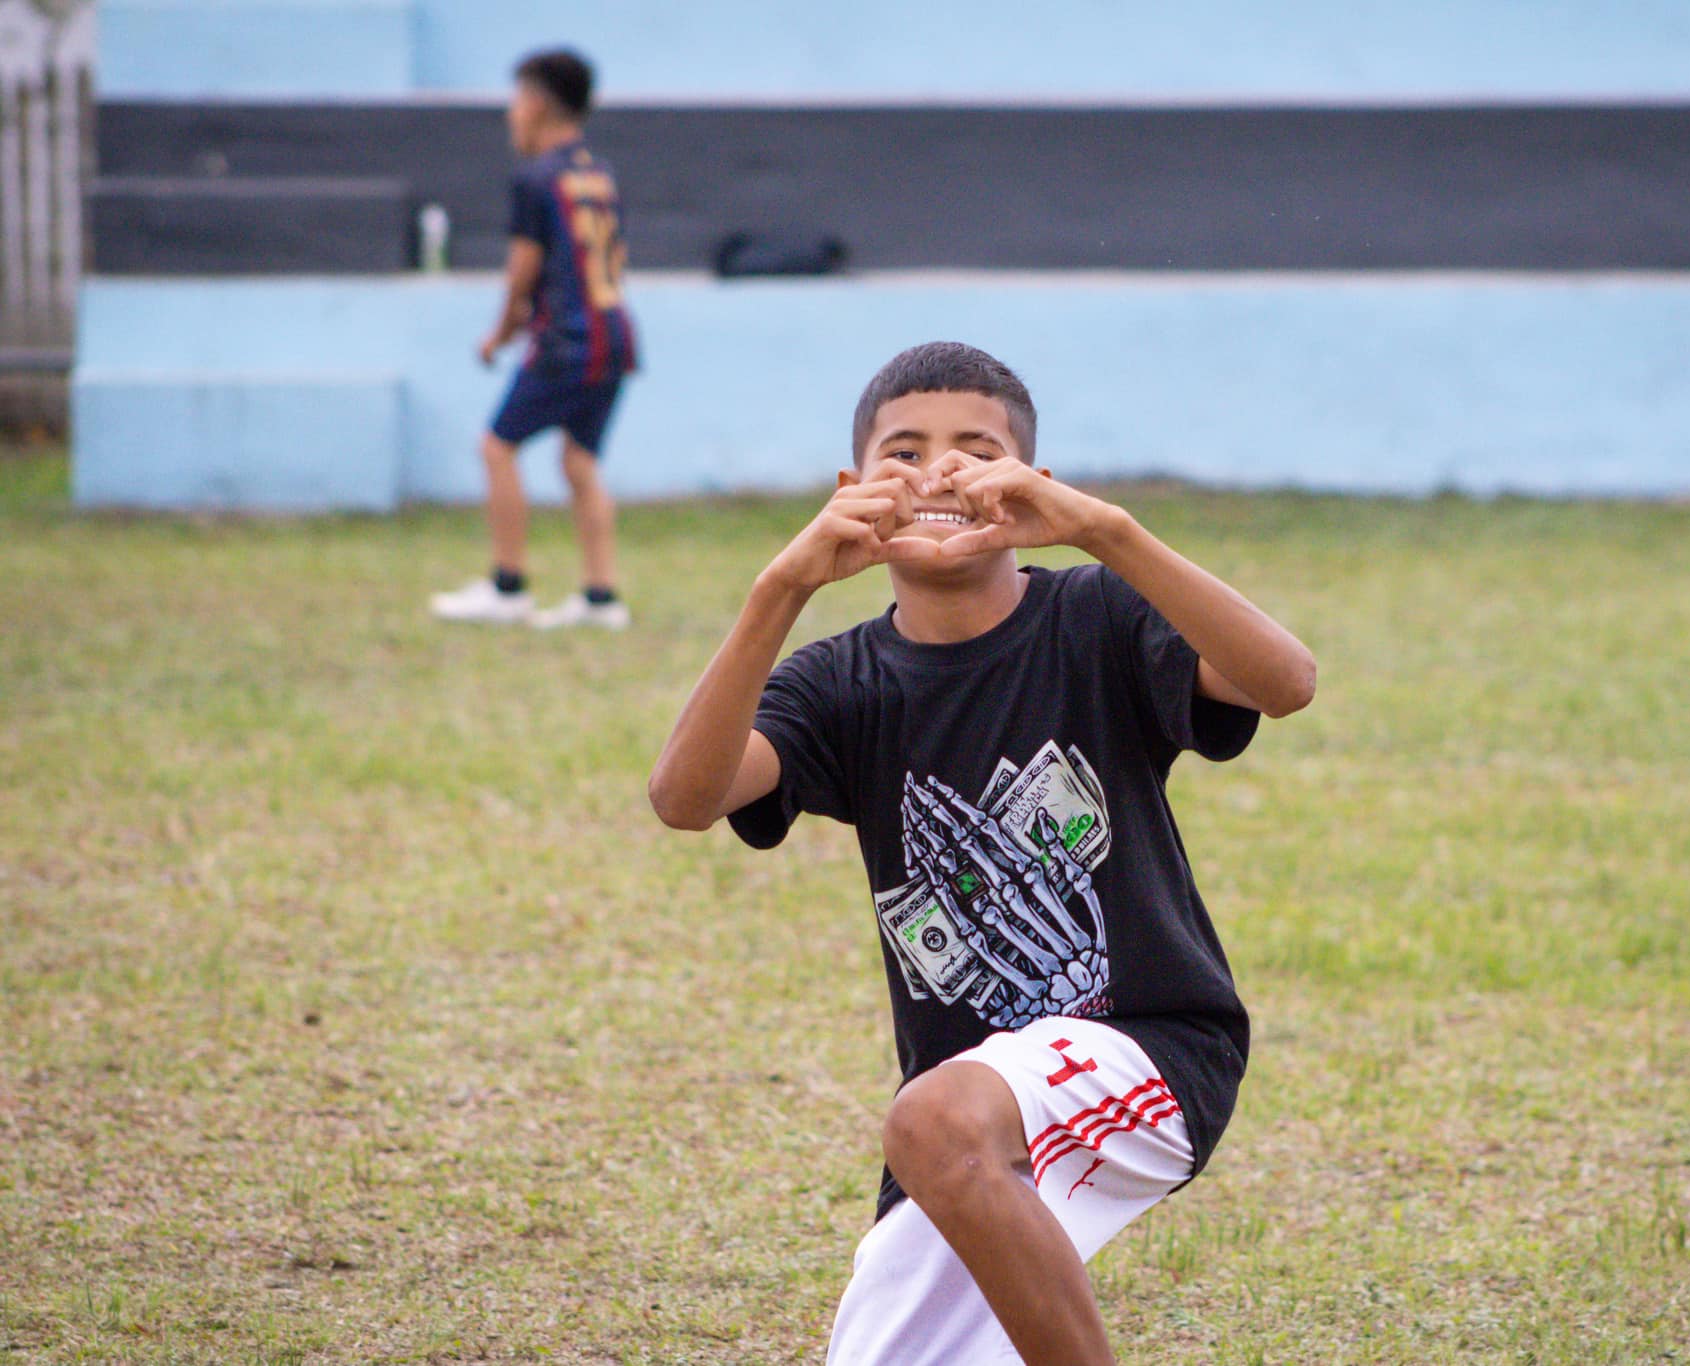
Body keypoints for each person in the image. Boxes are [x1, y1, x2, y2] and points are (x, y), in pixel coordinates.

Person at [648, 342, 1317, 1364]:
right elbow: (686, 797)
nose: (939, 474)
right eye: (904, 453)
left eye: (976, 449)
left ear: (1032, 483)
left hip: (1145, 1042)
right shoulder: (837, 683)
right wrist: (781, 584)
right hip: (961, 1128)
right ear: (851, 488)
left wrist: (1103, 529)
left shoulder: (1093, 615)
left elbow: (1284, 681)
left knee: (932, 1119)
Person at [431, 48, 638, 630]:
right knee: (579, 460)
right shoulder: (599, 172)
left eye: (517, 100)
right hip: (614, 335)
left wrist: (499, 335)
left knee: (497, 448)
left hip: (568, 342)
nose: (511, 113)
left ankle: (508, 586)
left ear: (539, 104)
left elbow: (522, 272)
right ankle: (601, 597)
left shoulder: (537, 177)